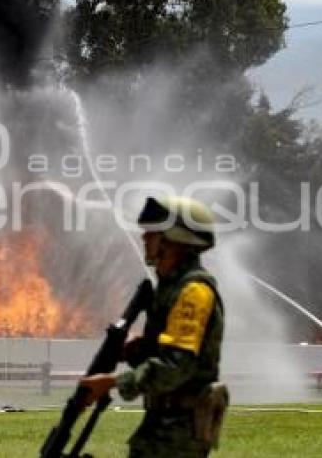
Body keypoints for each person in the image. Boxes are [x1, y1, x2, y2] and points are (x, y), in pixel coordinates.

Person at [80, 196, 227, 458]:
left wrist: (112, 382)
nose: (144, 239)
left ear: (174, 241)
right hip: (163, 425)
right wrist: (140, 350)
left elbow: (177, 366)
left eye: (152, 234)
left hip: (179, 434)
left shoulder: (193, 291)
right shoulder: (170, 289)